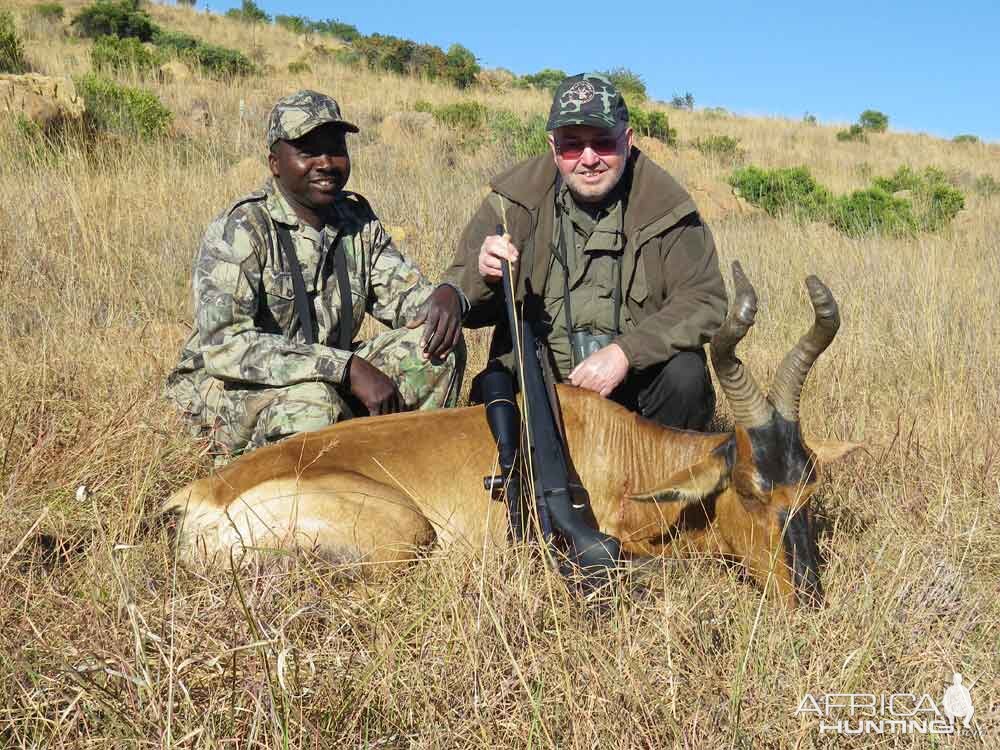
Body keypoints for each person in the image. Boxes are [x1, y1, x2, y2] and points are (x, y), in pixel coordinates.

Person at [166, 90, 465, 461]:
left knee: (436, 345)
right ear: (276, 163)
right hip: (232, 392)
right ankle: (286, 494)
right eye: (308, 152)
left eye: (335, 149)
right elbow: (226, 347)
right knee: (314, 405)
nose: (326, 163)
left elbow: (409, 300)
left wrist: (449, 296)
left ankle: (400, 468)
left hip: (324, 380)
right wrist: (346, 367)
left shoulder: (357, 223)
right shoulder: (243, 228)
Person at [444, 72, 727, 430]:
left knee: (685, 375)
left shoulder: (668, 208)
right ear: (553, 146)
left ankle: (665, 482)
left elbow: (706, 301)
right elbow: (464, 300)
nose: (589, 158)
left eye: (603, 143)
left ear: (627, 140)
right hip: (537, 388)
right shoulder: (511, 204)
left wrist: (627, 352)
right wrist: (481, 275)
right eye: (572, 145)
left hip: (634, 396)